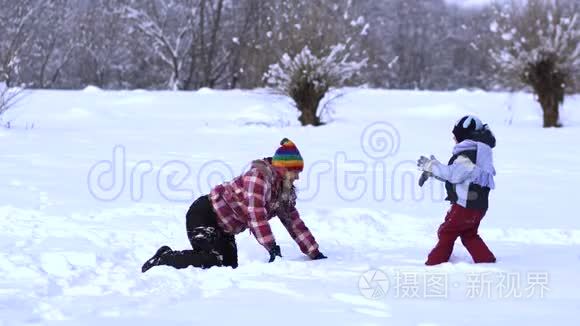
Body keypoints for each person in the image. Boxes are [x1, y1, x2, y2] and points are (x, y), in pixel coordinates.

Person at [141, 138, 327, 272]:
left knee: (228, 265)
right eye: (295, 172)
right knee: (215, 260)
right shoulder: (258, 178)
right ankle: (164, 259)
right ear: (282, 169)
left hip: (224, 227)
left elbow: (292, 220)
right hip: (205, 215)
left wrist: (313, 250)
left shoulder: (281, 189)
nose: (298, 177)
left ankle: (170, 257)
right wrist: (272, 247)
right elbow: (256, 216)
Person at [417, 115, 497, 266]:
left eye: (456, 136)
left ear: (464, 136)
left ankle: (434, 263)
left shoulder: (468, 155)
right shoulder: (480, 153)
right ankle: (486, 261)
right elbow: (462, 177)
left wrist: (431, 165)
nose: (454, 140)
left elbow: (453, 175)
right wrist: (435, 172)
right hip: (478, 206)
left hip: (465, 206)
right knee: (469, 234)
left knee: (447, 232)